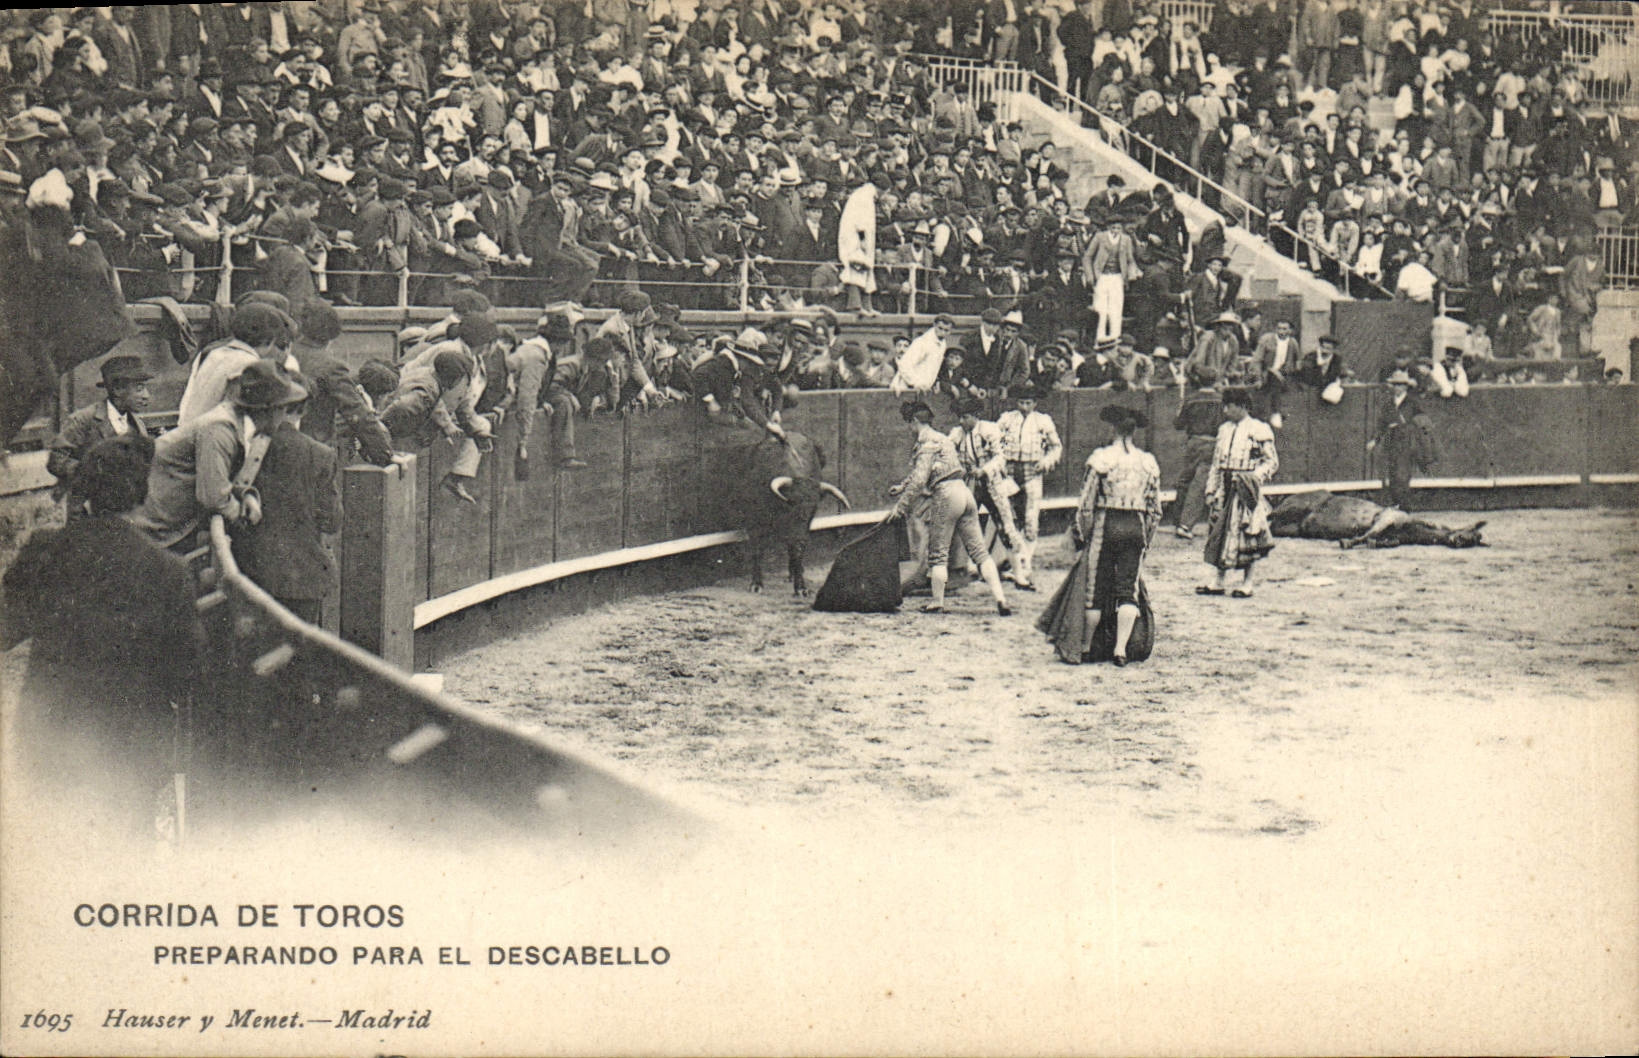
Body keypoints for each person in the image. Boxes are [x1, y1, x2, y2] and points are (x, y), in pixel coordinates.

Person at [1, 433, 203, 829]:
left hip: (49, 738)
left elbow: (4, 630)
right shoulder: (167, 571)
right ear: (143, 494)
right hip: (128, 747)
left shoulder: (46, 549)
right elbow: (185, 670)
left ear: (87, 487)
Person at [132, 361, 309, 552]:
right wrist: (243, 518)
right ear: (269, 409)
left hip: (168, 525)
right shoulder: (219, 429)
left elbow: (221, 479)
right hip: (151, 529)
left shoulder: (242, 428)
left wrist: (245, 495)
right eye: (283, 408)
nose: (285, 416)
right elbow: (213, 496)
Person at [1039, 403, 1162, 665]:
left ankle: (1085, 646)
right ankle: (1120, 650)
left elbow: (1086, 504)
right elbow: (1155, 510)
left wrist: (1082, 534)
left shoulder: (1101, 458)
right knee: (1128, 590)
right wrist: (1146, 540)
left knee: (1096, 588)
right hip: (1136, 525)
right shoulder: (1147, 461)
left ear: (1112, 429)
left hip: (1107, 524)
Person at [887, 401, 1012, 616]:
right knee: (979, 551)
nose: (909, 428)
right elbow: (924, 473)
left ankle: (937, 601)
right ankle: (1001, 599)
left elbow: (919, 480)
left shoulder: (926, 444)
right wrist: (902, 485)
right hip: (965, 493)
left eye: (909, 424)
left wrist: (900, 506)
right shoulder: (944, 440)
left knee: (938, 554)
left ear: (915, 422)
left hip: (946, 496)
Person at [230, 405, 341, 625]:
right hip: (301, 577)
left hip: (250, 571)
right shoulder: (320, 454)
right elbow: (331, 521)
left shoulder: (242, 446)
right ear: (302, 410)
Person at [47, 354, 153, 514]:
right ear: (117, 389)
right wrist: (92, 473)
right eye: (139, 388)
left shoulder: (138, 425)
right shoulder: (83, 420)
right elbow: (56, 460)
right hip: (86, 509)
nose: (146, 395)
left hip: (124, 511)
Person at [1199, 386, 1278, 598]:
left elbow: (1271, 462)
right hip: (1224, 485)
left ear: (1242, 406)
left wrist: (1252, 478)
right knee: (1220, 532)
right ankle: (1219, 581)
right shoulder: (1224, 429)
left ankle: (1247, 582)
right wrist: (1211, 489)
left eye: (1229, 406)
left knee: (1247, 534)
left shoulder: (1259, 429)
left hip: (1245, 488)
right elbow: (1216, 464)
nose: (1225, 411)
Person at [949, 396, 1024, 582]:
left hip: (992, 484)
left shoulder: (990, 430)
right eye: (959, 417)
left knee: (1005, 525)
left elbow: (1000, 457)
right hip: (970, 485)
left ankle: (1019, 573)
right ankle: (969, 567)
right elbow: (947, 453)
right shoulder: (957, 434)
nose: (961, 421)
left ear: (975, 416)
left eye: (965, 417)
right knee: (966, 524)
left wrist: (983, 470)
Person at [995, 383, 1062, 590]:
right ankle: (1014, 564)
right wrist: (999, 463)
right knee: (1009, 518)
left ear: (1035, 403)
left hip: (1033, 472)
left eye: (1029, 402)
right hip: (1010, 473)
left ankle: (1025, 564)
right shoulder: (1006, 419)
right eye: (1022, 402)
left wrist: (1046, 462)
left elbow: (1056, 447)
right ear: (1017, 402)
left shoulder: (1043, 421)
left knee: (1031, 520)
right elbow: (994, 442)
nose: (1025, 406)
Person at [1169, 367, 1222, 539]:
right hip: (1212, 443)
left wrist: (1179, 409)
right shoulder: (1221, 400)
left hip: (1193, 443)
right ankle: (1185, 525)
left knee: (1185, 480)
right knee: (1199, 485)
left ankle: (1177, 521)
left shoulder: (1191, 399)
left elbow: (1178, 424)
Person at [1368, 368, 1432, 511]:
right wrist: (1375, 440)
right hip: (1391, 441)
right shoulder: (1389, 403)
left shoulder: (1412, 402)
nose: (1398, 387)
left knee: (1402, 475)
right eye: (1395, 384)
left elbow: (1422, 420)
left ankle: (1404, 508)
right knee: (1392, 475)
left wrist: (1409, 427)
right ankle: (1397, 505)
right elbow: (1382, 424)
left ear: (1405, 386)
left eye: (1401, 384)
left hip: (1407, 441)